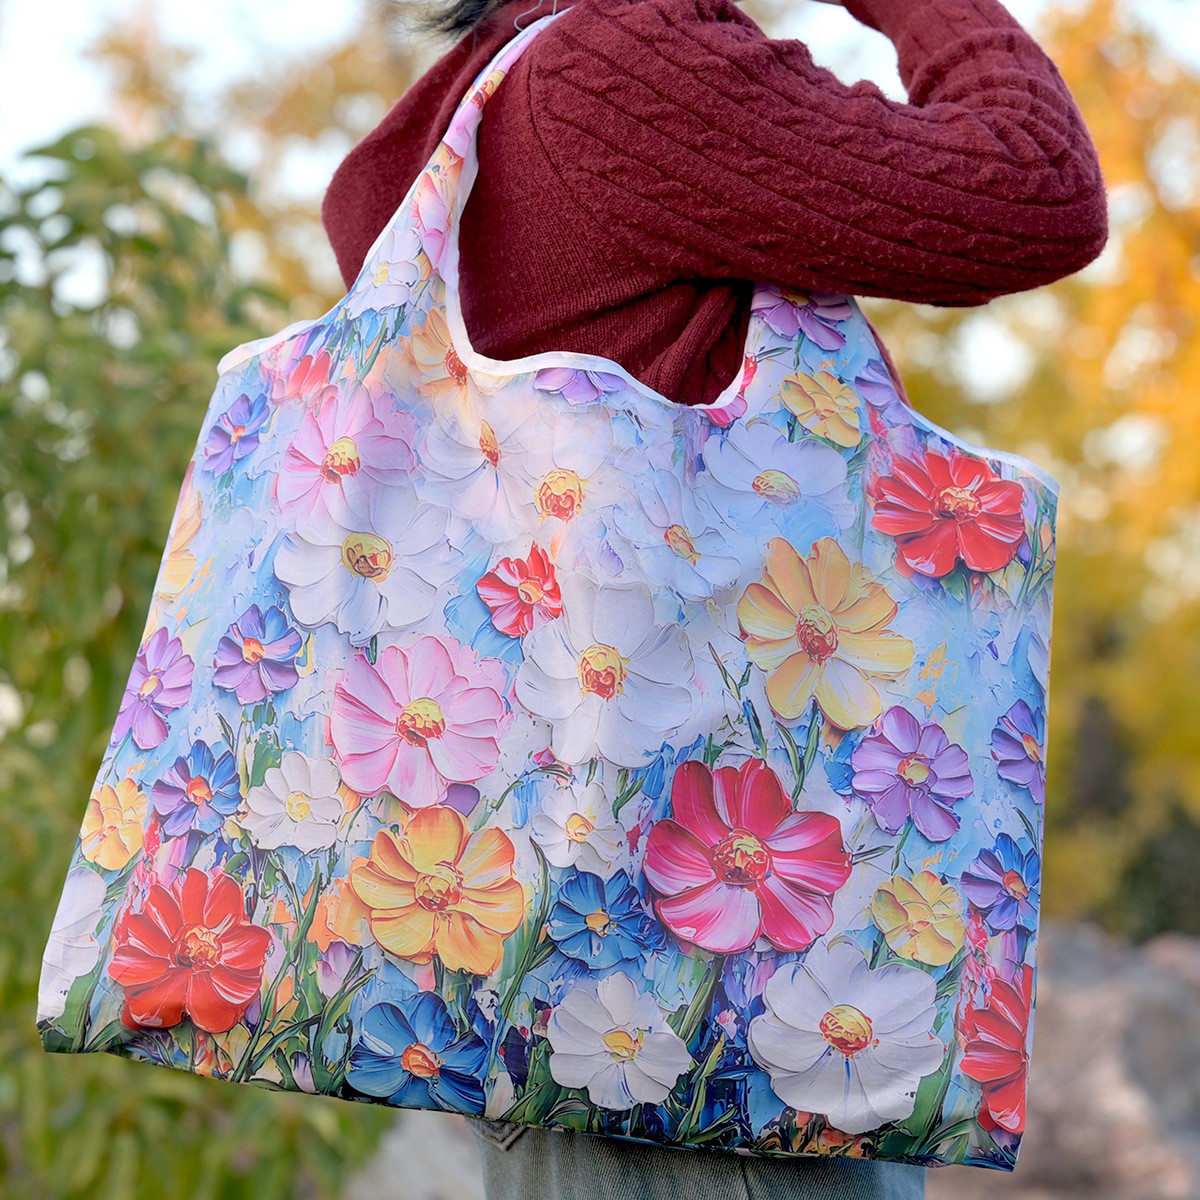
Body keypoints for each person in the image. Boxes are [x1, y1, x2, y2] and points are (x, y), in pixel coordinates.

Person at [319, 0, 1107, 1196]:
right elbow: (1037, 185)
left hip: (557, 960)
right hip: (714, 1013)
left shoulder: (488, 92)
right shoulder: (626, 66)